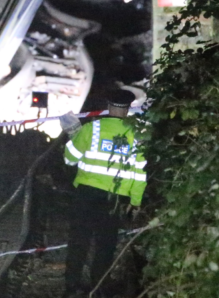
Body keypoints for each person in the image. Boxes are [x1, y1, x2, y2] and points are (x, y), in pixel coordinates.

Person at [62, 89, 146, 297]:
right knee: (105, 245)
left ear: (108, 107)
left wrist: (73, 134)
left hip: (86, 194)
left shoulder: (93, 128)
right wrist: (135, 202)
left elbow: (70, 159)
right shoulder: (136, 136)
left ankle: (72, 287)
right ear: (127, 110)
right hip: (114, 199)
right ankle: (98, 288)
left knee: (79, 241)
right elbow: (140, 173)